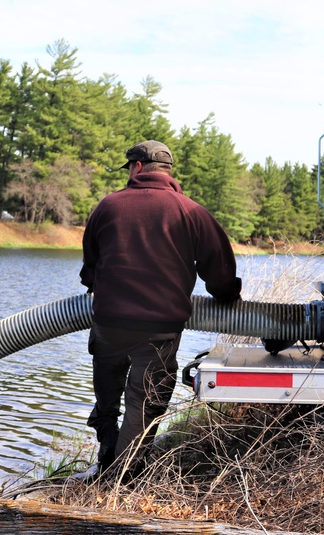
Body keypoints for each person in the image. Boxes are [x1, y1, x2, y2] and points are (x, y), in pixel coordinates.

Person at [79, 140, 242, 479]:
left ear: (136, 167)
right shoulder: (190, 210)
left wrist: (99, 284)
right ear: (167, 171)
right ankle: (121, 480)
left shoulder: (107, 207)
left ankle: (107, 457)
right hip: (160, 329)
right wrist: (226, 296)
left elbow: (89, 269)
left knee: (108, 397)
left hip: (109, 323)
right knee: (143, 403)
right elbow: (221, 272)